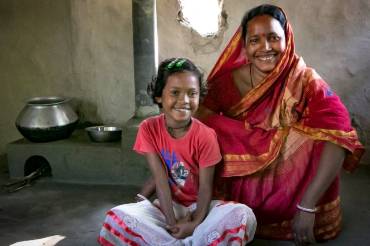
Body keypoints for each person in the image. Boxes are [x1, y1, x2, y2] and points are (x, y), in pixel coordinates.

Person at [195, 4, 364, 245]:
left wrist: (307, 206)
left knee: (324, 138)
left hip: (293, 189)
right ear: (244, 46)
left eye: (273, 38)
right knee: (210, 128)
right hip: (242, 185)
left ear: (288, 39)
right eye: (255, 40)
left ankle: (300, 212)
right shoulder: (226, 83)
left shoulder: (305, 80)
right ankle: (223, 209)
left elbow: (340, 133)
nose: (265, 48)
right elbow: (195, 128)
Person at [98, 58, 257, 245]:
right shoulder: (148, 128)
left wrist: (196, 222)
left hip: (203, 208)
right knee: (116, 217)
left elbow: (206, 187)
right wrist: (172, 224)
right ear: (159, 96)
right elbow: (160, 180)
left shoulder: (206, 135)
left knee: (242, 215)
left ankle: (180, 239)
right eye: (175, 92)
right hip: (167, 207)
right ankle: (185, 241)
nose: (184, 100)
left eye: (192, 93)